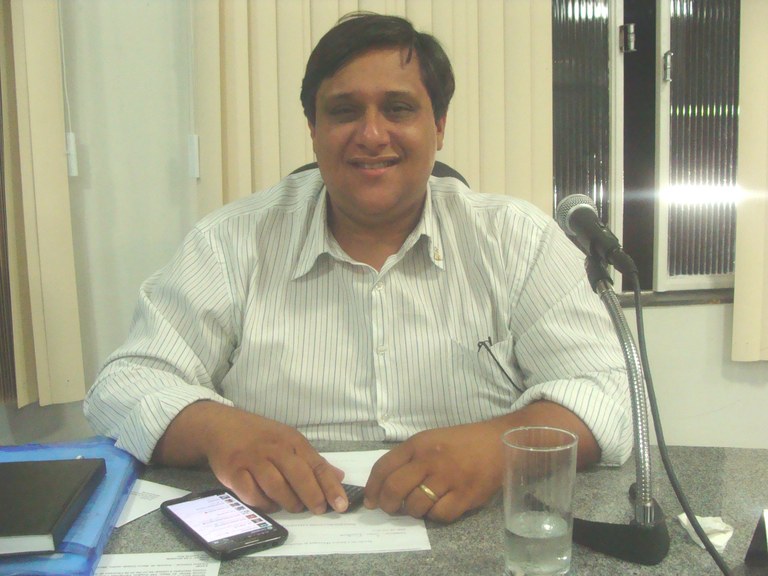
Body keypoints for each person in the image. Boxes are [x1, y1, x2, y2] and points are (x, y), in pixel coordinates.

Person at [84, 12, 632, 523]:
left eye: (398, 109)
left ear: (439, 126)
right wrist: (215, 429)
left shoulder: (517, 239)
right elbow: (124, 385)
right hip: (283, 528)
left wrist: (499, 446)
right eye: (344, 111)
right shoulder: (230, 243)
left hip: (475, 528)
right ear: (314, 128)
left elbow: (612, 392)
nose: (371, 135)